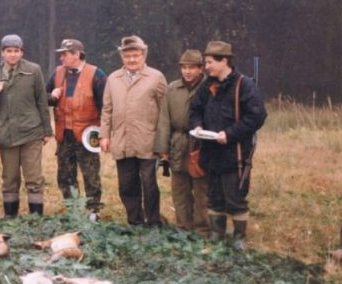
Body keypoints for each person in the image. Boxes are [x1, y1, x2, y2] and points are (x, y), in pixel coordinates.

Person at [189, 41, 267, 250]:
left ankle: (239, 238)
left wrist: (230, 134)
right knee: (214, 196)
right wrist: (197, 126)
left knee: (235, 197)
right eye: (205, 63)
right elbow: (195, 109)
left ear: (224, 61)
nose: (206, 67)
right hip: (210, 152)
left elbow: (257, 116)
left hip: (235, 154)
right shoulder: (207, 86)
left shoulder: (244, 85)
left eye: (209, 62)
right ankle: (217, 234)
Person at [100, 35, 167, 226]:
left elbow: (164, 112)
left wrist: (162, 142)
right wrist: (104, 135)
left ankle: (153, 221)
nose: (131, 59)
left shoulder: (156, 77)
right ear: (122, 56)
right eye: (127, 56)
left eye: (135, 55)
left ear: (143, 55)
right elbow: (107, 109)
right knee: (127, 185)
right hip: (121, 141)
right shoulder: (113, 78)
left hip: (147, 141)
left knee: (149, 184)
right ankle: (135, 221)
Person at [0, 34, 53, 218]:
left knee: (34, 178)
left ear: (22, 52)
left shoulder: (33, 70)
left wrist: (47, 130)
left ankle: (35, 219)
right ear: (2, 53)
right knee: (9, 179)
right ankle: (10, 218)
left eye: (16, 51)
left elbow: (42, 101)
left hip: (31, 133)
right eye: (9, 51)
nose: (12, 55)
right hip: (6, 135)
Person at [46, 38, 107, 220]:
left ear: (77, 55)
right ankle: (73, 211)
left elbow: (106, 105)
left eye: (65, 54)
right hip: (64, 134)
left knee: (90, 175)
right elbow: (42, 96)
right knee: (65, 175)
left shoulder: (97, 74)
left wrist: (103, 132)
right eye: (61, 55)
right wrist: (52, 96)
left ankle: (93, 212)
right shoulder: (57, 73)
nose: (61, 58)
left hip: (87, 136)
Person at [155, 49, 209, 234]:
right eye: (184, 68)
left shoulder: (209, 87)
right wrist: (163, 149)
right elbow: (164, 120)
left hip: (200, 143)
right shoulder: (172, 88)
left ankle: (203, 229)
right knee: (180, 189)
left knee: (202, 189)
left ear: (200, 68)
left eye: (192, 68)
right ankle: (183, 228)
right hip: (177, 142)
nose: (187, 71)